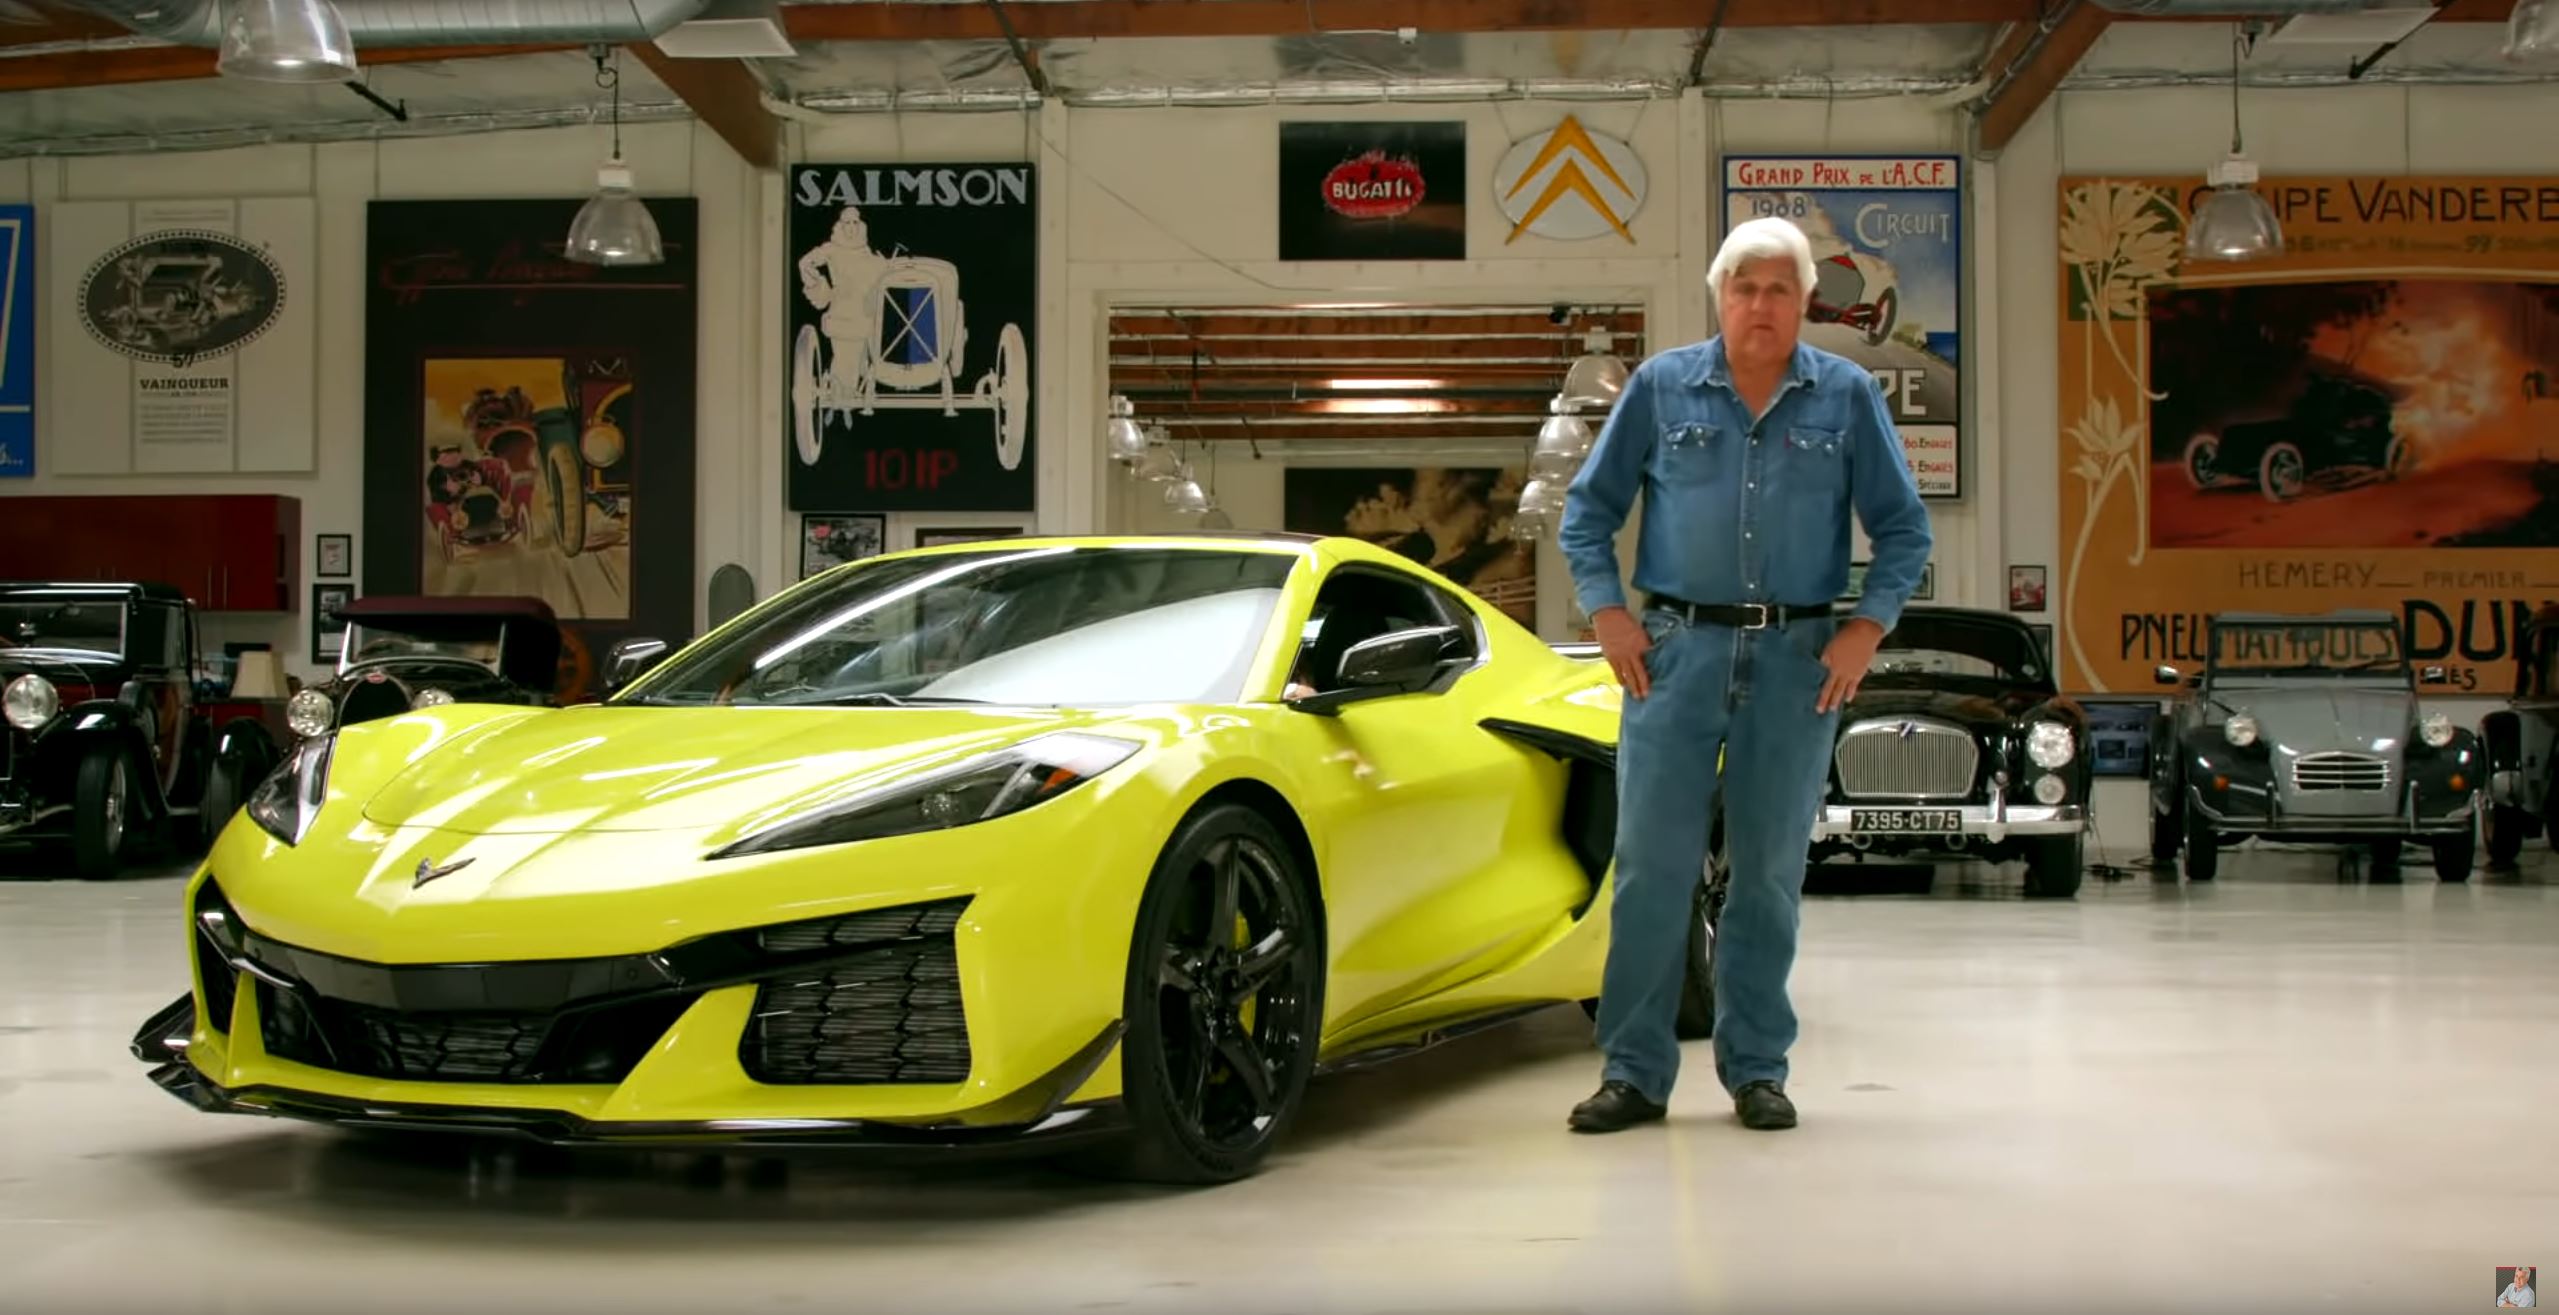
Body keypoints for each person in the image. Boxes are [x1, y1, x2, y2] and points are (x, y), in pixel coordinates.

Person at [1556, 215, 1933, 1134]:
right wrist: (1607, 614)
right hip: (1673, 659)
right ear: (1719, 298)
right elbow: (1586, 512)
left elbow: (1903, 530)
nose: (1759, 305)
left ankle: (1756, 1067)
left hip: (1796, 664)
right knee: (1651, 870)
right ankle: (1635, 1073)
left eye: (1777, 289)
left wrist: (1863, 630)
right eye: (1744, 288)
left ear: (1805, 301)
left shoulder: (1844, 397)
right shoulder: (1659, 387)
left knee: (1766, 874)